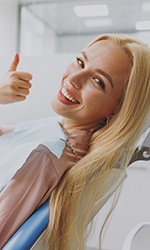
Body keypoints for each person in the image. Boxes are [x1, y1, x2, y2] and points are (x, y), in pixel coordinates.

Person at [0, 34, 150, 250]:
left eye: (98, 82)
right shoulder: (56, 131)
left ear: (116, 110)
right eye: (80, 62)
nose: (74, 78)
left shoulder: (46, 155)